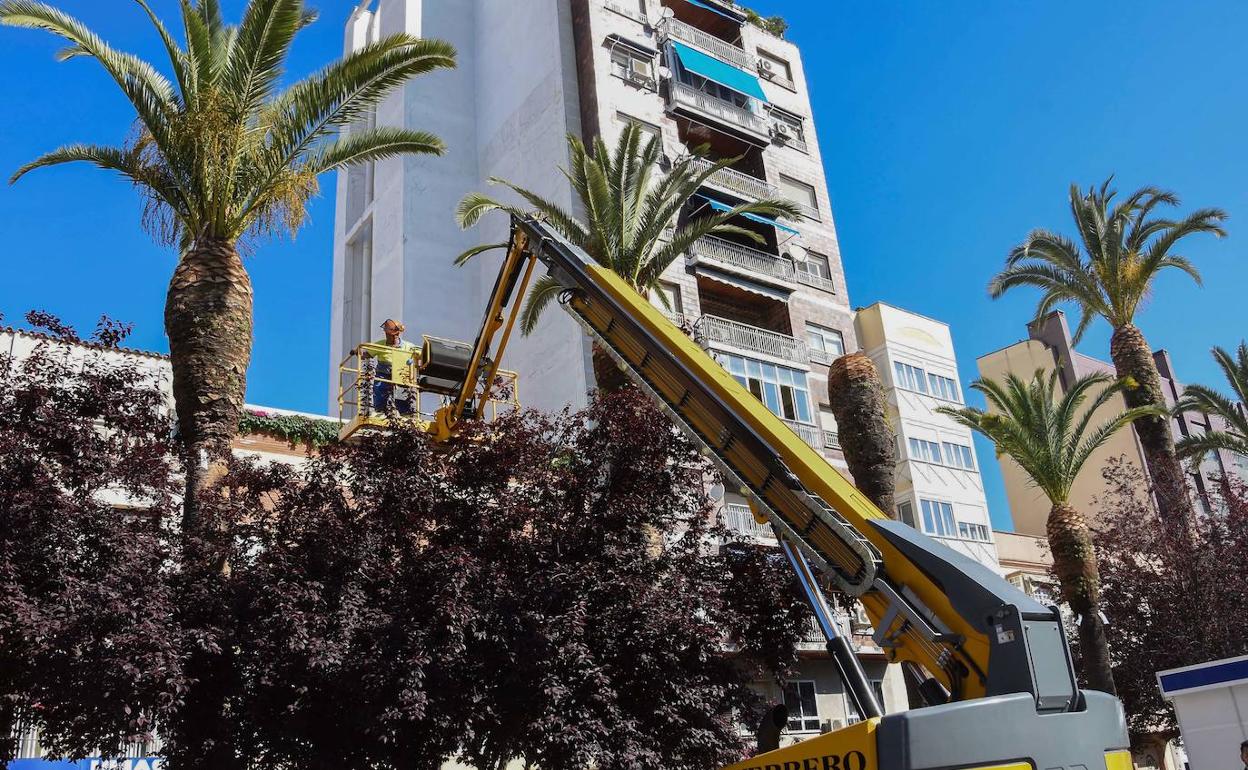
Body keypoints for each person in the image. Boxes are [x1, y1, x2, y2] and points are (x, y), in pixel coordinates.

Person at [366, 319, 419, 415]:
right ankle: (380, 411)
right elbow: (367, 353)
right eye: (386, 334)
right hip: (383, 374)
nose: (387, 336)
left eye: (389, 334)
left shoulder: (408, 346)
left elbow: (420, 354)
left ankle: (404, 413)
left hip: (401, 374)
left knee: (402, 393)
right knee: (379, 388)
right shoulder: (380, 344)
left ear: (396, 334)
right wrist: (358, 351)